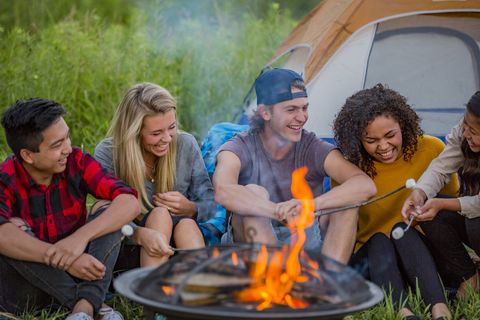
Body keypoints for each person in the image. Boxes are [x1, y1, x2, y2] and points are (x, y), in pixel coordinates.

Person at [213, 68, 376, 264]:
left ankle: (328, 285)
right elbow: (223, 190)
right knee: (253, 192)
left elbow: (364, 185)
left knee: (347, 204)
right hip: (251, 245)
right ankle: (278, 284)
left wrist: (309, 205)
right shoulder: (238, 147)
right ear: (265, 112)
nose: (302, 117)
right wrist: (275, 210)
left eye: (304, 108)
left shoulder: (311, 146)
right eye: (291, 110)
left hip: (304, 239)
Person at [0, 98, 140, 320]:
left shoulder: (76, 161)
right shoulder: (6, 176)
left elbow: (130, 201)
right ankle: (93, 304)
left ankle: (83, 309)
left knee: (110, 212)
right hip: (29, 288)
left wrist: (80, 238)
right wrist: (64, 257)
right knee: (12, 232)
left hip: (81, 273)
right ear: (28, 155)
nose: (67, 148)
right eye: (57, 145)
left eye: (67, 137)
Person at [333, 84, 457, 320]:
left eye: (390, 135)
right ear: (357, 139)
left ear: (403, 124)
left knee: (401, 229)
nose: (383, 147)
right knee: (380, 240)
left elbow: (449, 205)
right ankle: (404, 313)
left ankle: (440, 310)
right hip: (374, 260)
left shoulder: (432, 149)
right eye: (371, 140)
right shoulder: (346, 168)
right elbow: (343, 228)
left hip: (422, 255)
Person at [95, 82, 215, 268]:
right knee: (160, 215)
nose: (167, 138)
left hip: (179, 248)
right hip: (134, 245)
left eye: (172, 127)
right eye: (156, 133)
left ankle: (199, 288)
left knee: (187, 225)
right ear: (134, 132)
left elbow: (212, 204)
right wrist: (140, 235)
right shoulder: (109, 154)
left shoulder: (186, 145)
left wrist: (191, 208)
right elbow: (105, 214)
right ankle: (151, 291)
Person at [402, 91, 480, 299]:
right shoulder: (464, 134)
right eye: (465, 125)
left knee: (476, 221)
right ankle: (469, 275)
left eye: (474, 131)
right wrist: (420, 192)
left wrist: (445, 204)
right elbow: (441, 167)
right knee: (427, 211)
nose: (466, 134)